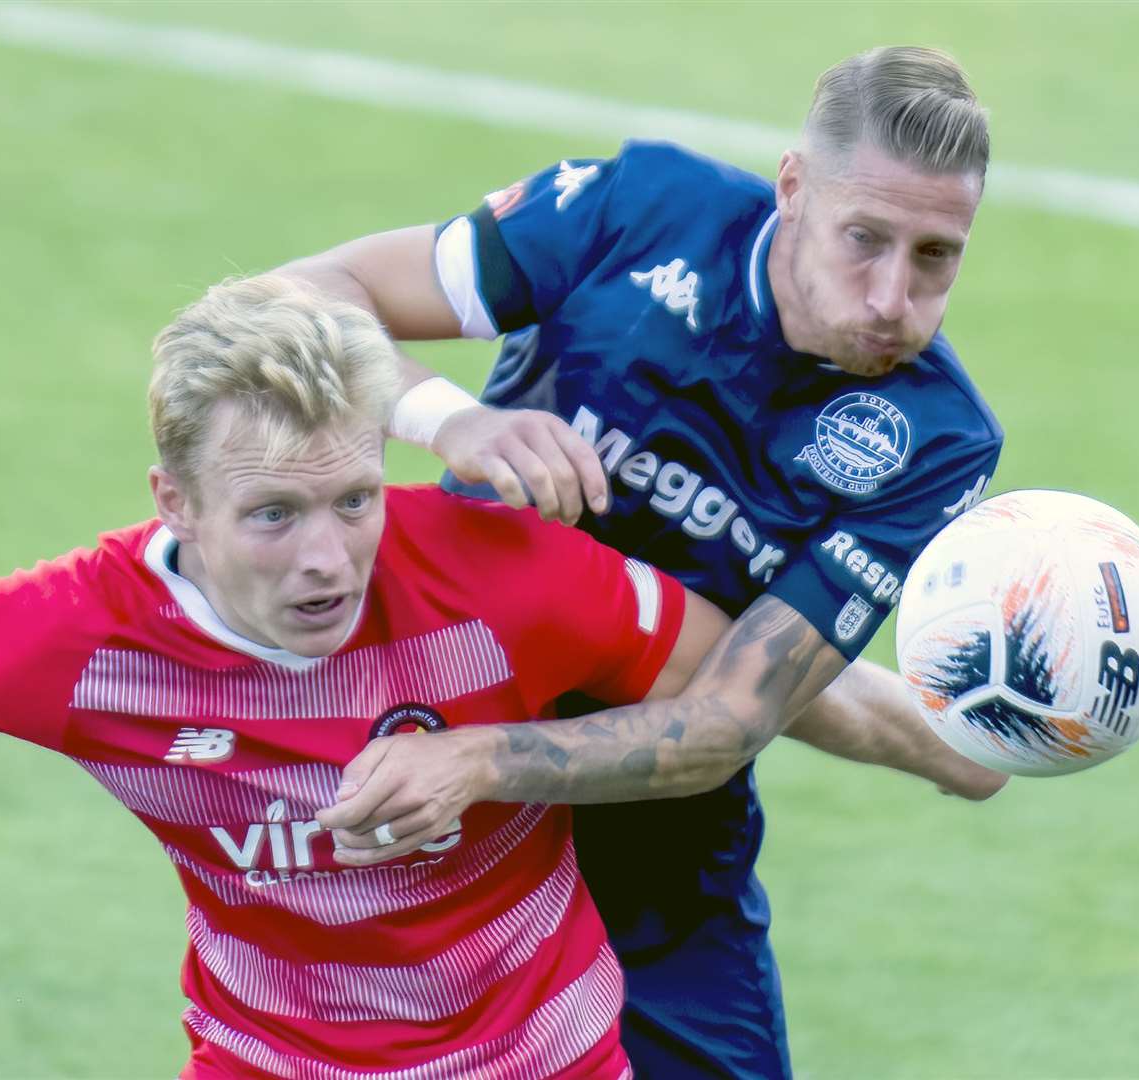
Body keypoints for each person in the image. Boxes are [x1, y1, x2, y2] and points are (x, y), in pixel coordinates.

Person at [0, 276, 928, 1076]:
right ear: (171, 502)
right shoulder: (72, 640)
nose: (326, 560)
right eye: (272, 515)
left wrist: (952, 748)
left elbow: (753, 684)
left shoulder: (499, 570)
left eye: (352, 501)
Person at [282, 46, 1007, 1079]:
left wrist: (483, 762)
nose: (893, 297)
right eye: (866, 240)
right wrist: (458, 422)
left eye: (937, 257)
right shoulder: (640, 210)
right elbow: (305, 293)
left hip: (653, 842)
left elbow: (725, 722)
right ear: (794, 188)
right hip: (427, 778)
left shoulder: (932, 435)